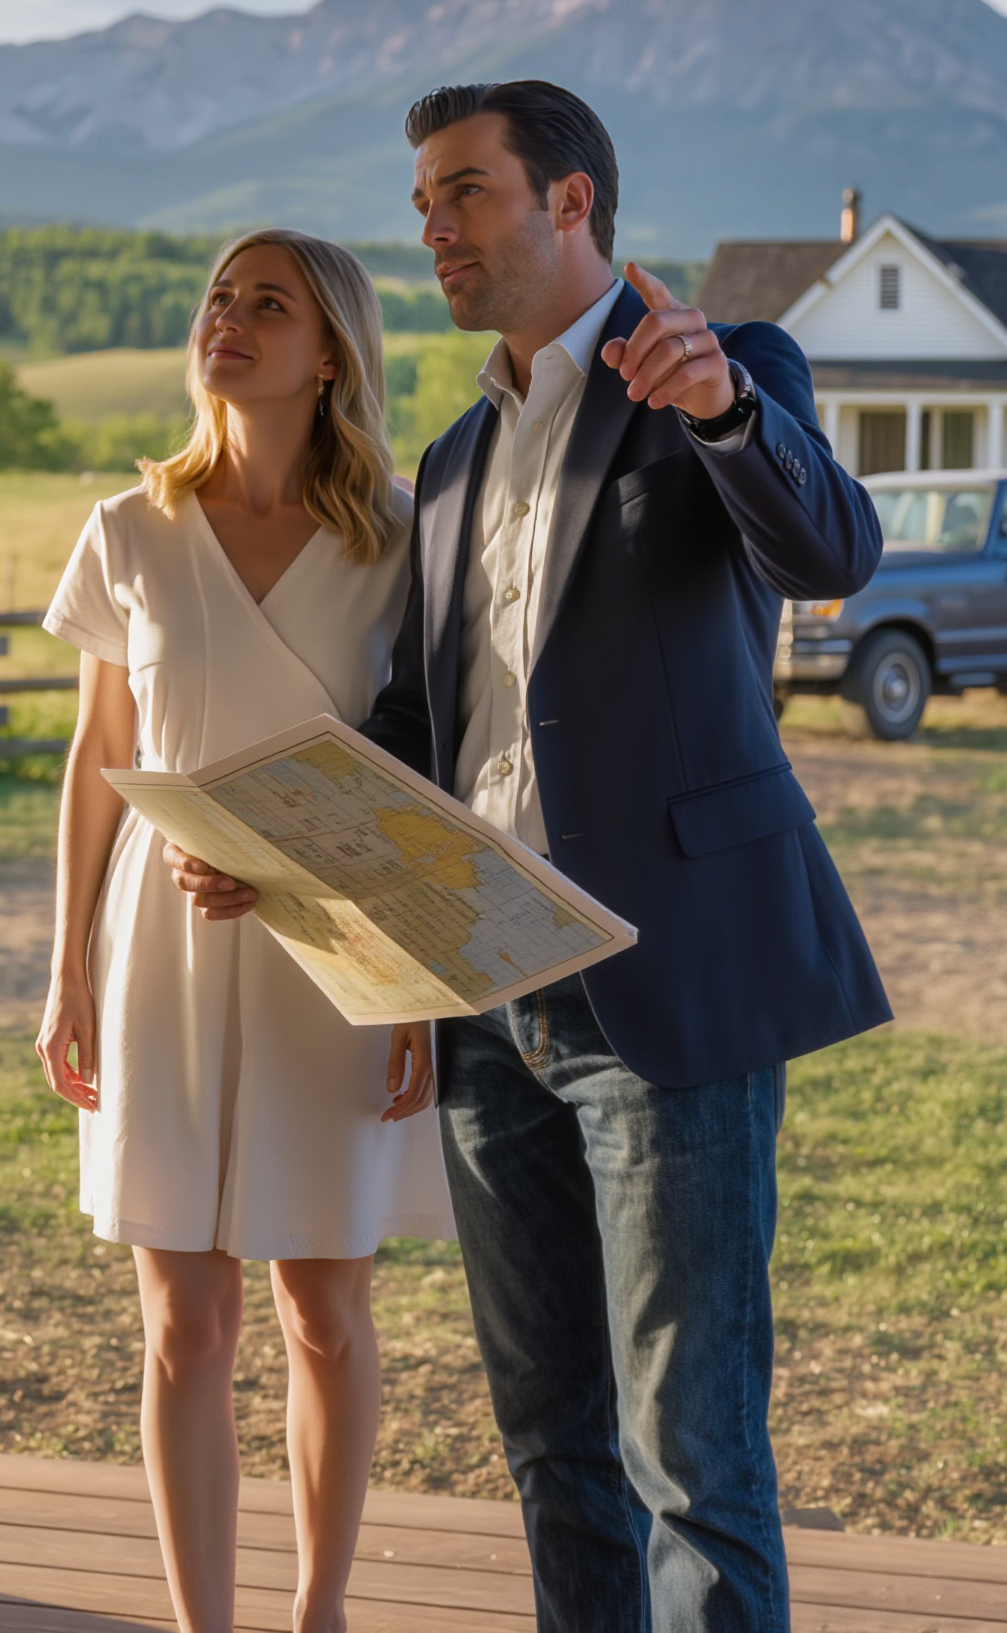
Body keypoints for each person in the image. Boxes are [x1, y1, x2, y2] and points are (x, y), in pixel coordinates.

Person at [166, 84, 889, 1632]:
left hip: (666, 989)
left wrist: (724, 418)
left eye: (465, 193)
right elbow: (423, 724)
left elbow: (830, 552)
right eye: (424, 201)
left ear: (571, 205)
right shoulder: (451, 455)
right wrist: (281, 851)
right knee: (555, 1444)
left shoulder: (721, 368)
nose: (432, 228)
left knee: (693, 1456)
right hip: (492, 1001)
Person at [36, 230, 454, 1633]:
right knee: (183, 1324)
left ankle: (320, 1608)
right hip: (162, 941)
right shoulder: (129, 530)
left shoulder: (396, 539)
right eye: (219, 297)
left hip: (337, 955)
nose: (229, 319)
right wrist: (68, 965)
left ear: (329, 349)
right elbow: (99, 759)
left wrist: (415, 984)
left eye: (267, 303)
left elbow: (424, 779)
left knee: (324, 1314)